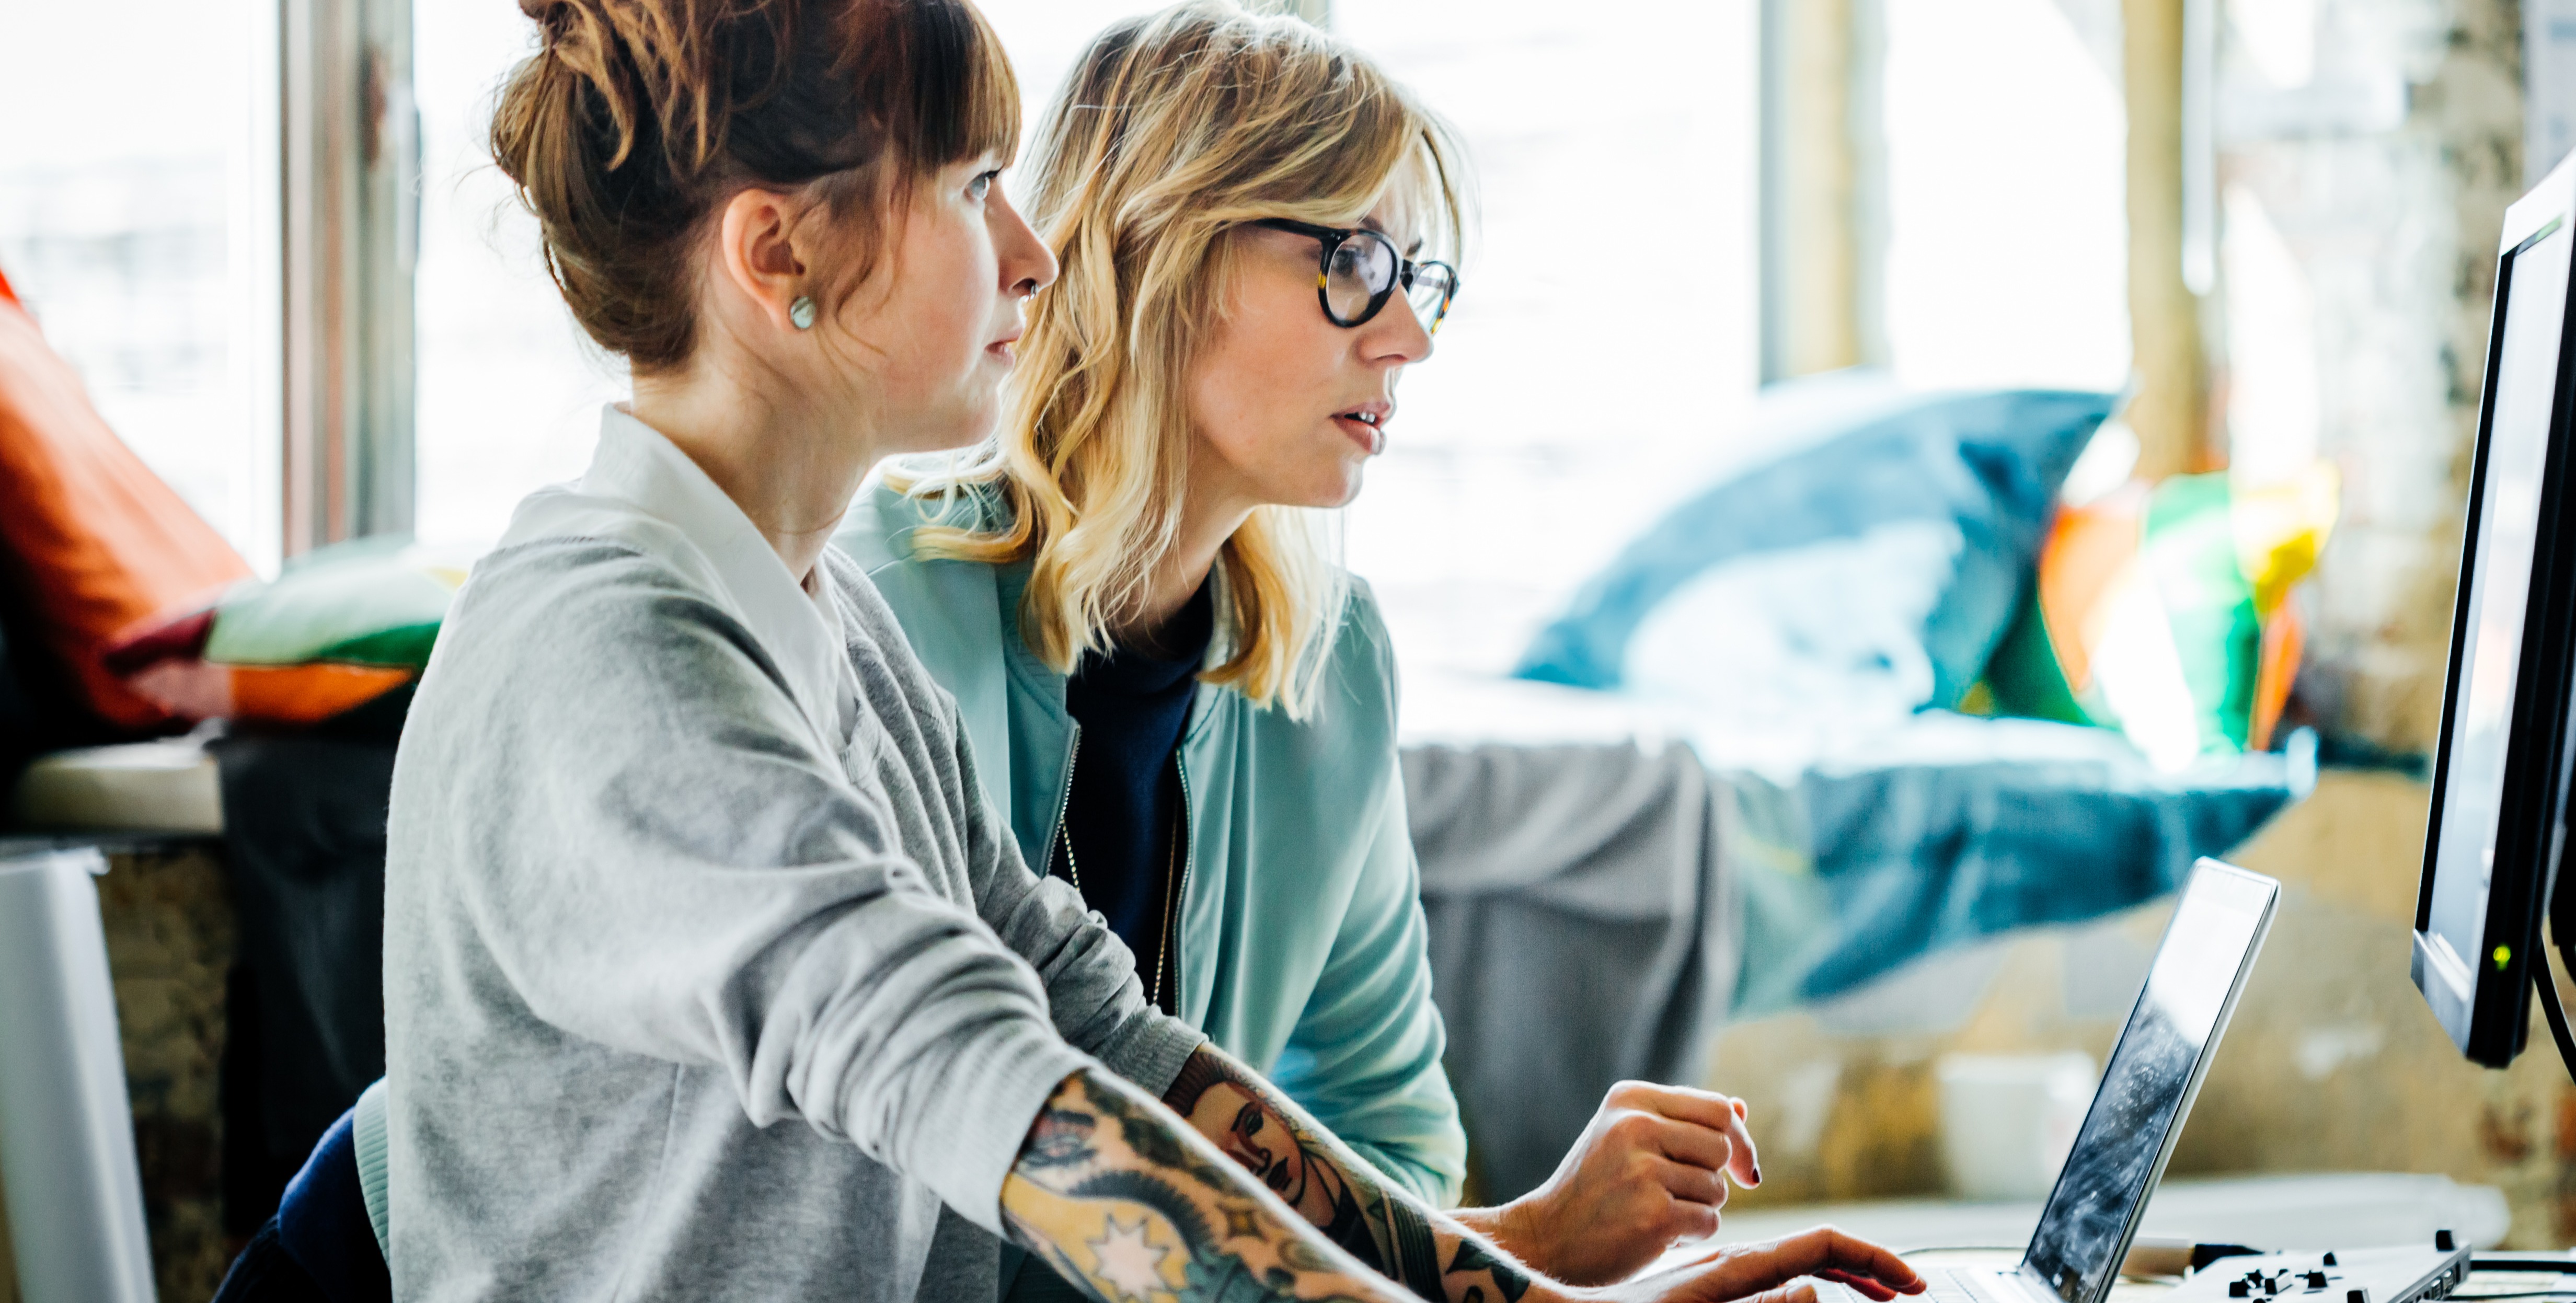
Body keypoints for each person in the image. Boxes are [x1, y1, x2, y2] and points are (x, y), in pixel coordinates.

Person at [373, 2, 1925, 1302]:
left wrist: (1518, 1297)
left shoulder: (816, 627)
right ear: (782, 258)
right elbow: (971, 1069)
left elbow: (1092, 1024)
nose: (1035, 252)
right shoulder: (622, 651)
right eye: (973, 182)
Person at [840, 5, 1756, 1288]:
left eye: (1416, 278)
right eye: (1355, 265)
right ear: (1160, 248)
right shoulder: (874, 604)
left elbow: (1390, 1138)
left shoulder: (1326, 662)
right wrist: (1525, 1259)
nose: (1409, 336)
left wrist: (1514, 1262)